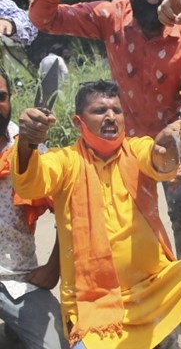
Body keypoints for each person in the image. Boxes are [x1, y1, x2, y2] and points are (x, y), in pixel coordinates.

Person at [11, 79, 181, 348]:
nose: (111, 116)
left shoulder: (136, 149)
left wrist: (168, 148)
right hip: (98, 304)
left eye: (117, 110)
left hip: (155, 288)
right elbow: (30, 183)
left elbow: (159, 161)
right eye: (100, 111)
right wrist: (27, 145)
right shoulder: (64, 160)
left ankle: (174, 327)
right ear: (78, 122)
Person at [28, 0, 181, 260]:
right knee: (130, 219)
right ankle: (141, 285)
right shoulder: (111, 16)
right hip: (121, 143)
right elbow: (46, 18)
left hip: (171, 143)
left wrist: (180, 150)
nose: (152, 1)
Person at [0, 67, 68, 349]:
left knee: (57, 347)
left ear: (10, 99)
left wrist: (54, 267)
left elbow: (69, 212)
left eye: (0, 96)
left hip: (18, 278)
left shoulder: (26, 148)